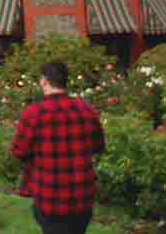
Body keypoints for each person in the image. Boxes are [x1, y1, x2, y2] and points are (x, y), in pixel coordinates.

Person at [11, 61, 105, 234]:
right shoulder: (86, 110)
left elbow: (19, 151)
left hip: (50, 196)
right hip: (81, 196)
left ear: (44, 81)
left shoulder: (33, 113)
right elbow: (98, 146)